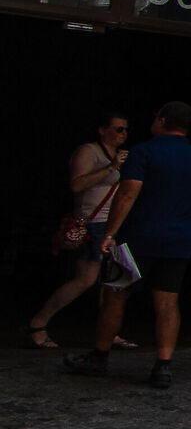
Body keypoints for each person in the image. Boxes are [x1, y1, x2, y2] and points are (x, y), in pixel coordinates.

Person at [67, 102, 191, 389]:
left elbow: (127, 195)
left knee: (115, 295)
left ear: (162, 121)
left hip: (136, 238)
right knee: (168, 301)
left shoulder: (144, 152)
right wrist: (186, 233)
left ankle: (99, 356)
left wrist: (110, 233)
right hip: (176, 242)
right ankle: (163, 365)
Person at [26, 111, 128, 350]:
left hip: (115, 223)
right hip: (94, 223)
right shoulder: (89, 152)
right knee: (86, 279)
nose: (123, 134)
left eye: (125, 129)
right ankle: (38, 323)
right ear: (103, 130)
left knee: (116, 282)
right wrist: (111, 167)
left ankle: (109, 331)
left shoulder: (122, 155)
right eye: (118, 128)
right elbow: (76, 184)